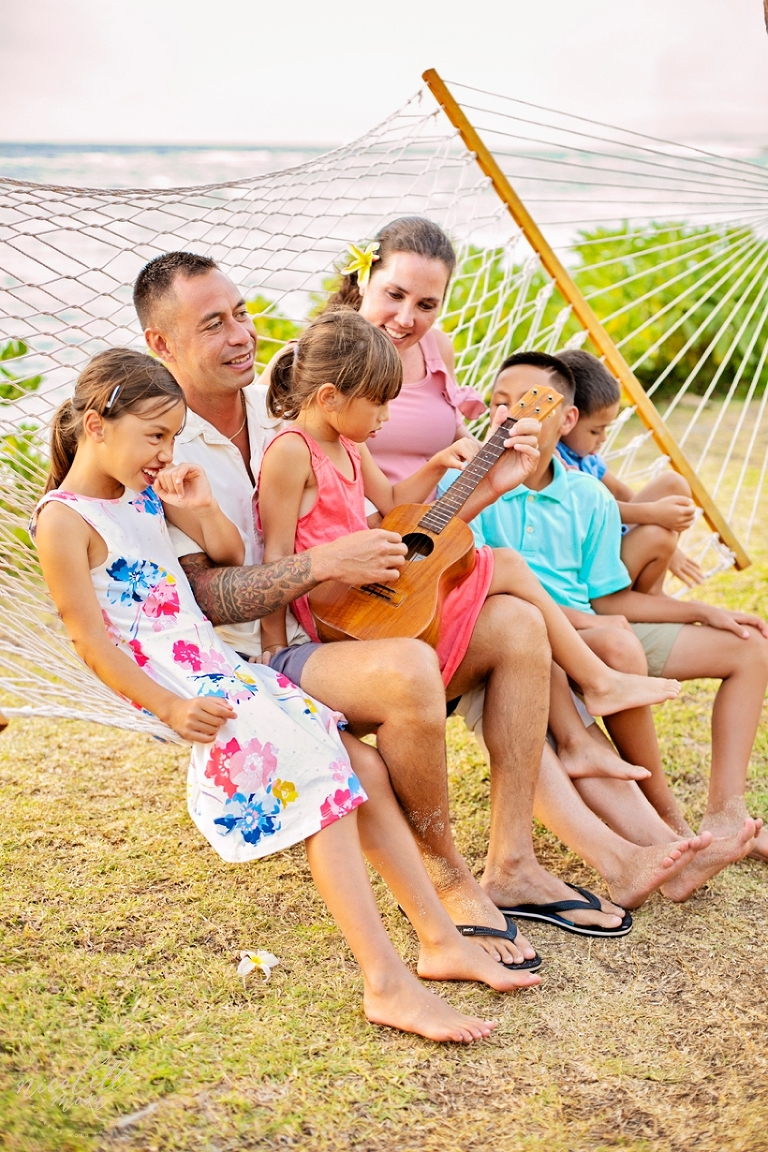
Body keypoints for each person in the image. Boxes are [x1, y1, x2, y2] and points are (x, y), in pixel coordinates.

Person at [32, 348, 548, 1044]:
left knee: (361, 770)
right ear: (97, 425)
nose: (165, 451)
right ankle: (385, 982)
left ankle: (439, 939)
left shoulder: (142, 493)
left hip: (226, 671)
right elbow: (90, 643)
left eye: (175, 437)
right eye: (155, 436)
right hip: (187, 690)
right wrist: (169, 708)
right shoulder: (63, 521)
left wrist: (201, 504)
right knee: (320, 783)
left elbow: (223, 556)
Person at [132, 250, 641, 946]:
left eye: (243, 313)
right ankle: (447, 877)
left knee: (519, 622)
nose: (242, 334)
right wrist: (321, 565)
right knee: (407, 669)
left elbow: (371, 515)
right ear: (161, 344)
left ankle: (514, 863)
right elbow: (206, 596)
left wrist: (488, 479)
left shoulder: (288, 400)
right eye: (213, 323)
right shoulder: (157, 446)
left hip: (355, 619)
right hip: (255, 662)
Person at [257, 309, 680, 725]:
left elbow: (390, 500)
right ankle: (599, 680)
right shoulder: (292, 452)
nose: (385, 418)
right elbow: (275, 553)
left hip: (369, 583)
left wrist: (438, 463)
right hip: (332, 604)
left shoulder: (349, 442)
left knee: (504, 583)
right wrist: (276, 647)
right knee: (509, 565)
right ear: (330, 397)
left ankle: (591, 690)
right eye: (378, 405)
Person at [456, 350, 768, 892]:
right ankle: (663, 830)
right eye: (500, 404)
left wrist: (704, 612)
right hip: (524, 642)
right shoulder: (470, 489)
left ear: (566, 419)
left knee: (748, 647)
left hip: (593, 630)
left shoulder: (589, 497)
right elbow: (474, 589)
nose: (509, 415)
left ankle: (722, 817)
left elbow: (612, 599)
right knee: (584, 679)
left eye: (529, 404)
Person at [323, 217, 485, 491]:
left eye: (426, 305)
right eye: (395, 295)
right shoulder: (315, 357)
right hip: (360, 526)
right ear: (364, 281)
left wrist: (500, 448)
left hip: (438, 524)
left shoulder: (436, 347)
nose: (406, 319)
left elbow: (452, 432)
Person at [557, 348, 703, 591]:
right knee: (658, 533)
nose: (602, 438)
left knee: (672, 484)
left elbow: (620, 492)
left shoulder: (586, 457)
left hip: (609, 543)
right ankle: (640, 598)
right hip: (590, 564)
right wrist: (654, 514)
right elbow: (594, 509)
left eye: (606, 429)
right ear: (566, 419)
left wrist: (670, 544)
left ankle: (654, 590)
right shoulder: (556, 461)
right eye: (595, 430)